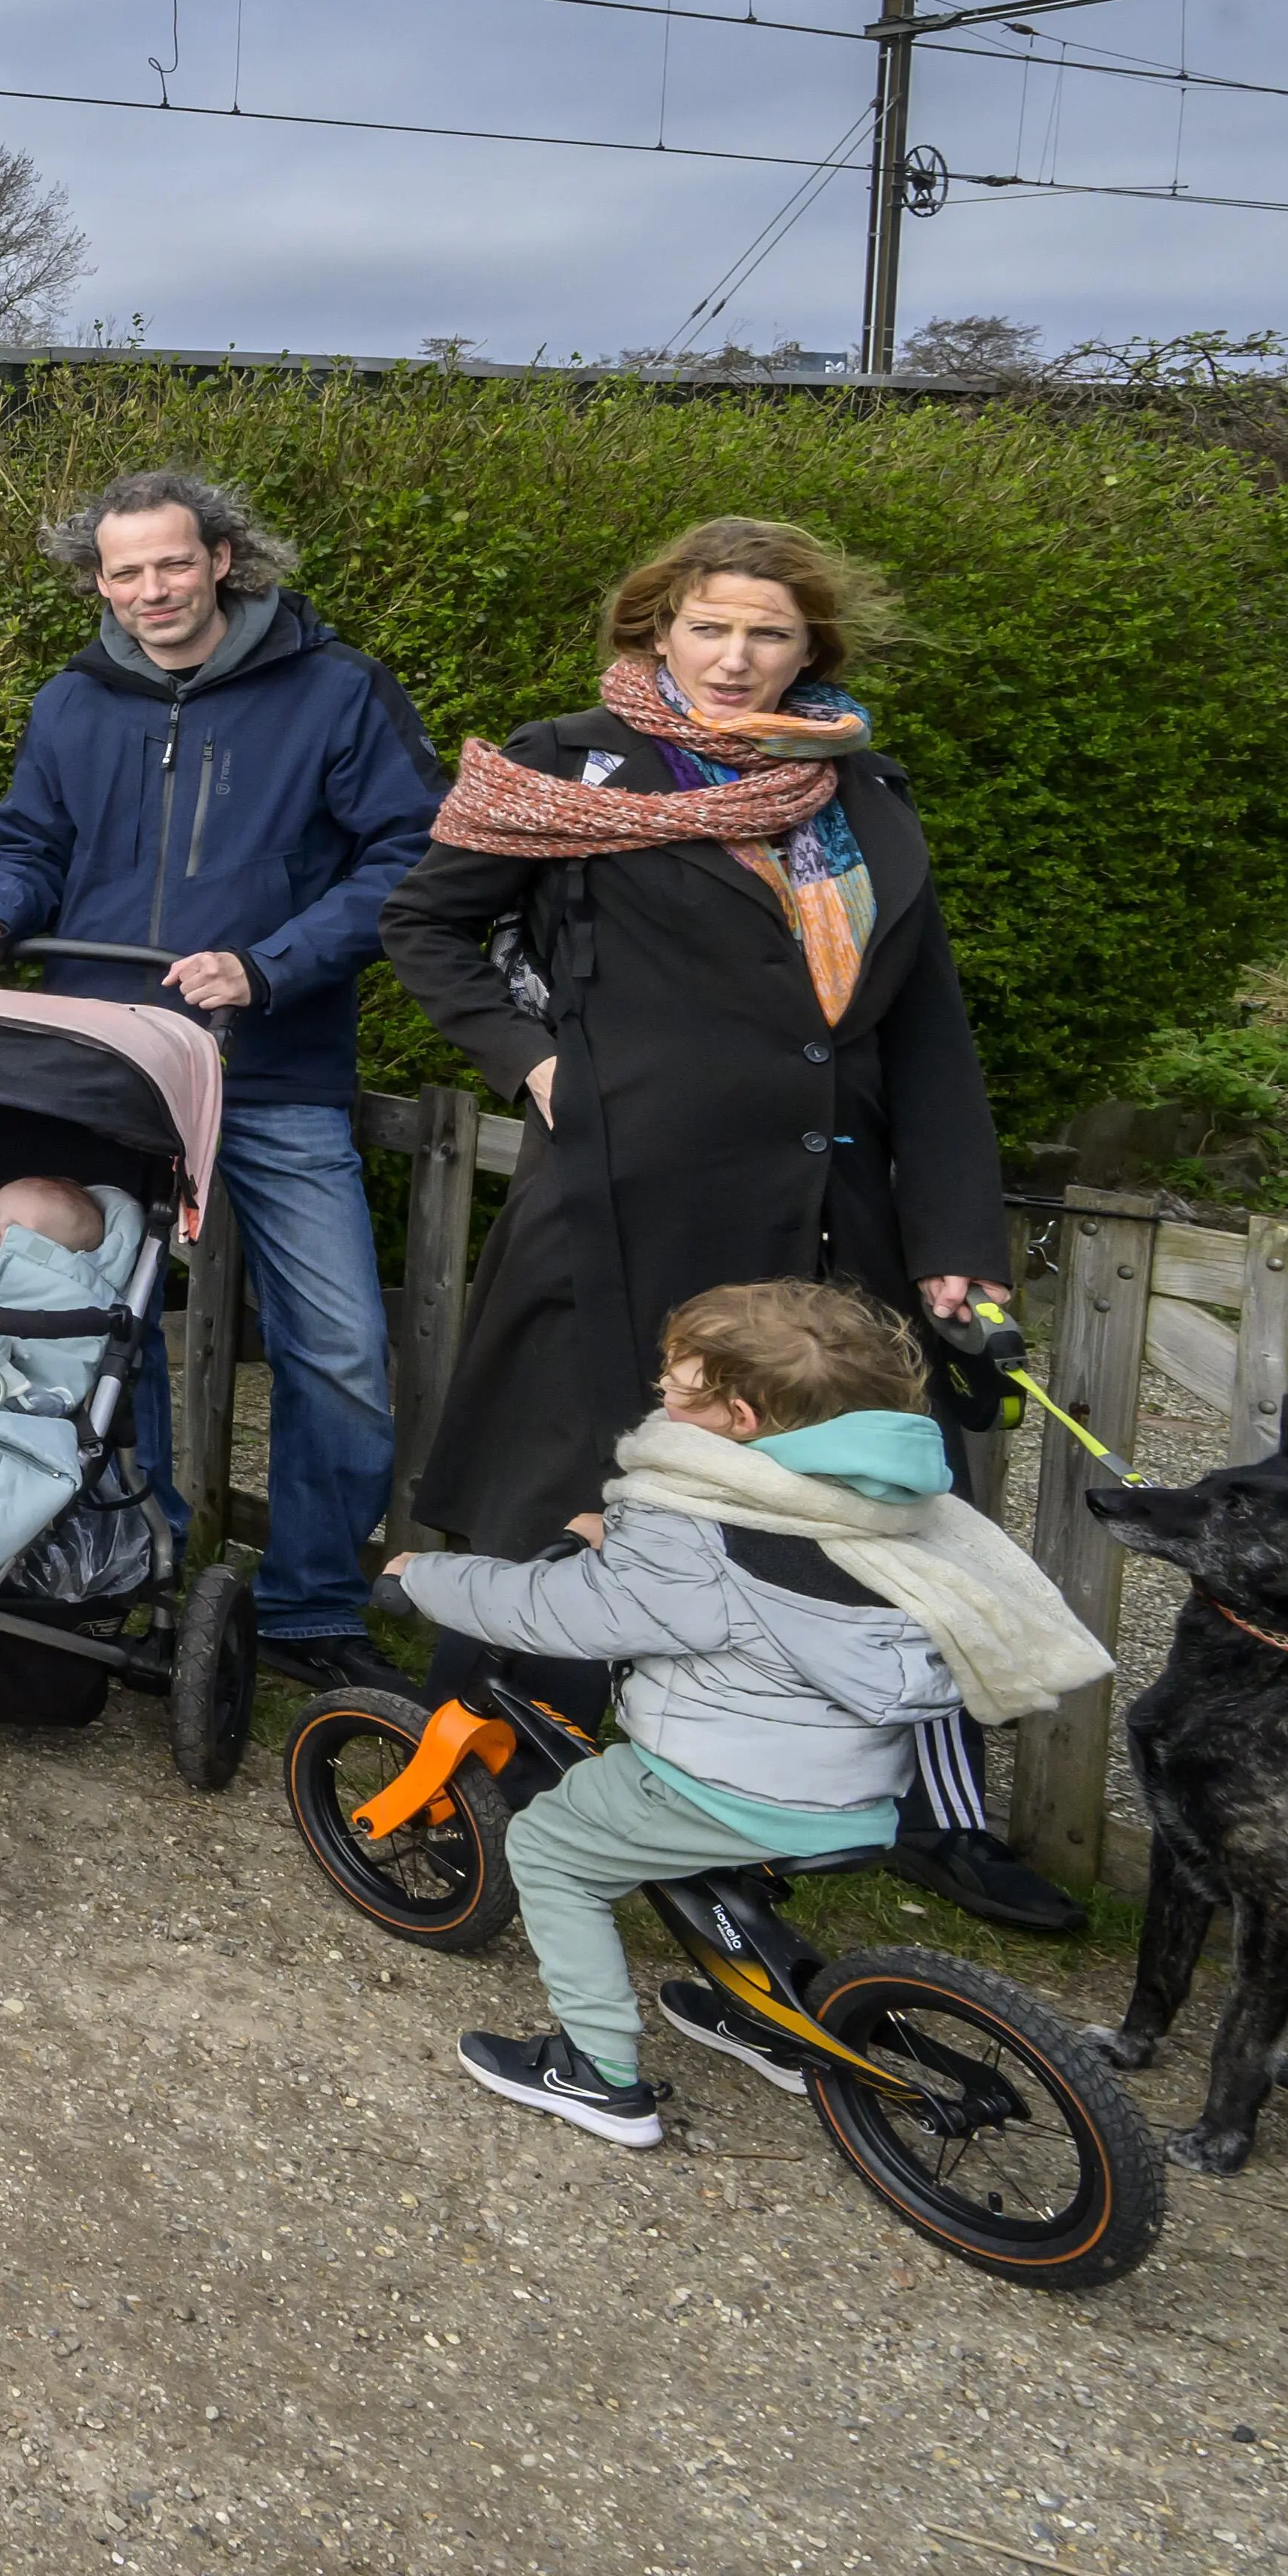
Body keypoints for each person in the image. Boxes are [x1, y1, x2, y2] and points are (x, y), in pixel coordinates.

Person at [380, 513, 1064, 1931]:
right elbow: (427, 928)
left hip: (822, 1209)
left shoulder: (855, 787)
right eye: (709, 626)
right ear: (654, 632)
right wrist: (539, 1064)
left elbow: (923, 1035)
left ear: (810, 645)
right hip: (626, 1195)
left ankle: (917, 1808)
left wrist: (953, 1248)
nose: (737, 655)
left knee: (864, 1502)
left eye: (767, 631)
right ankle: (472, 1751)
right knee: (565, 1479)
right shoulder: (563, 765)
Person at [383, 1280, 1102, 2146]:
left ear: (742, 1418)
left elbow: (566, 1612)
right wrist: (623, 1542)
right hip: (860, 1789)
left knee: (552, 1846)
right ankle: (764, 2017)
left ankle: (598, 2074)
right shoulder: (881, 1497)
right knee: (702, 1852)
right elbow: (760, 1594)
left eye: (678, 1386)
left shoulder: (690, 1525)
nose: (662, 1394)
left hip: (725, 1783)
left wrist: (425, 1579)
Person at [0, 466, 437, 1685]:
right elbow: (31, 850)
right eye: (122, 570)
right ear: (95, 579)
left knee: (339, 1348)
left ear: (221, 557)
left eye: (169, 562)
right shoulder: (70, 703)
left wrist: (270, 966)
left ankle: (312, 1603)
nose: (147, 589)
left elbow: (407, 854)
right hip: (104, 1062)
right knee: (99, 1322)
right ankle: (129, 1557)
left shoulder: (334, 691)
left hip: (269, 1067)